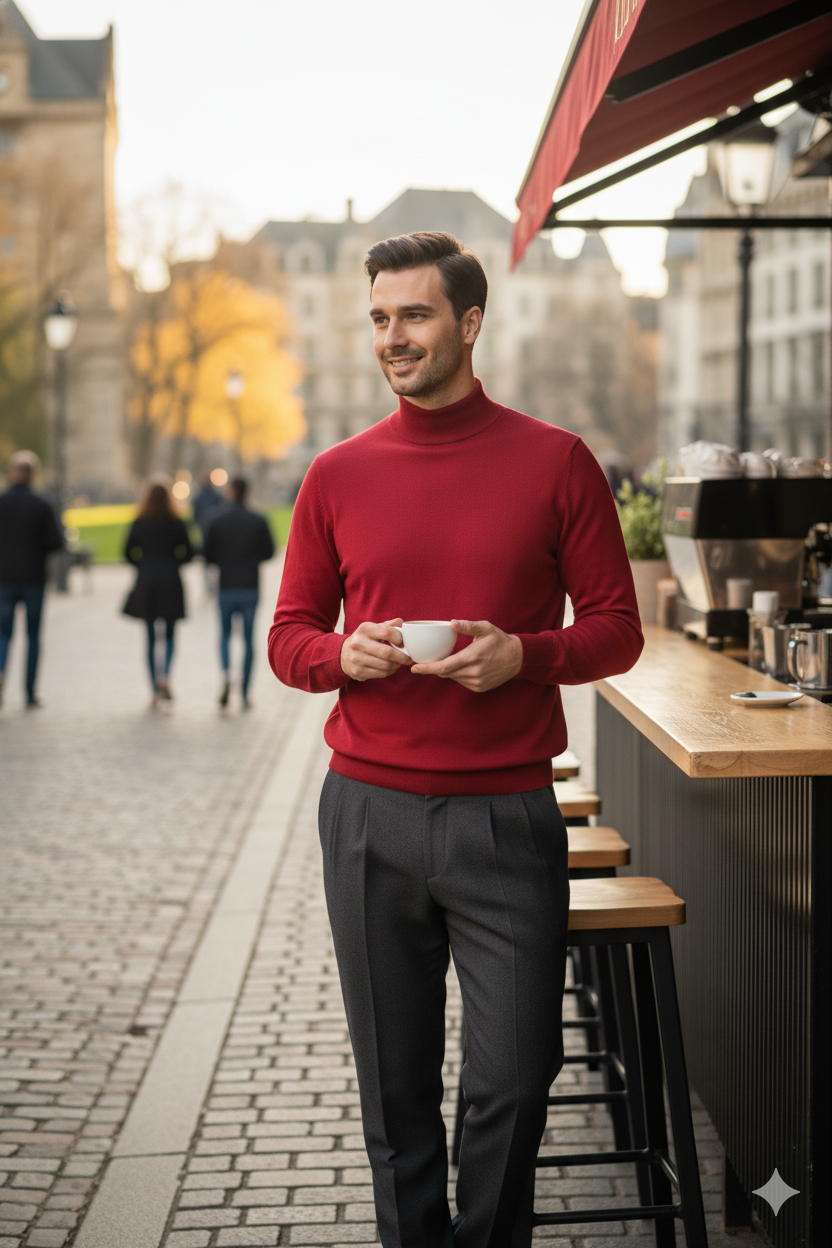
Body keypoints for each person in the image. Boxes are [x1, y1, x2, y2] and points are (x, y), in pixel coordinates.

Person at [269, 231, 643, 1248]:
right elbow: (289, 635)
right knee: (395, 1094)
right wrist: (343, 657)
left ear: (470, 323)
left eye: (416, 315)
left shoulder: (556, 461)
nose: (393, 337)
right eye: (381, 318)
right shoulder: (336, 474)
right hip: (367, 817)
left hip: (505, 816)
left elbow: (617, 627)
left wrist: (521, 656)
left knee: (516, 1081)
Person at [203, 477, 275, 709]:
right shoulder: (258, 519)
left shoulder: (216, 519)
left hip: (226, 585)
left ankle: (226, 674)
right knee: (248, 639)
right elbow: (269, 551)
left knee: (224, 634)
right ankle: (245, 690)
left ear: (231, 491)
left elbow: (207, 553)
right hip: (250, 586)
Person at [0, 450, 65, 708]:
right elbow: (56, 541)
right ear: (33, 474)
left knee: (3, 633)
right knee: (33, 635)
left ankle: (1, 670)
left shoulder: (1, 502)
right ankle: (29, 691)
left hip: (4, 577)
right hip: (33, 578)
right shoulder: (42, 504)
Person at [122, 476, 194, 705]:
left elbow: (127, 552)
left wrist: (143, 565)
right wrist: (174, 562)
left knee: (151, 637)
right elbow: (190, 552)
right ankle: (166, 675)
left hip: (147, 581)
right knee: (171, 633)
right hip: (171, 580)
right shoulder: (176, 521)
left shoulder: (140, 522)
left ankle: (154, 686)